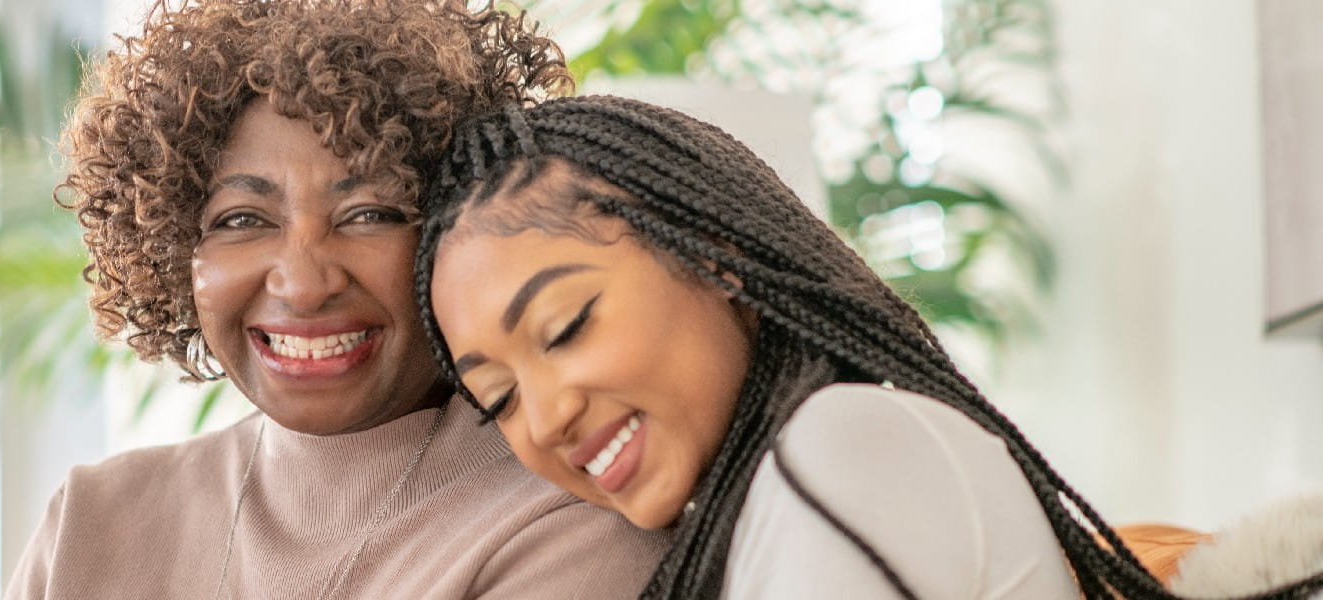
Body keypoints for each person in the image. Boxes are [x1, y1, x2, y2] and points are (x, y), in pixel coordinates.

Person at [413, 96, 1323, 598]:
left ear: (715, 254)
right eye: (498, 399)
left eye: (565, 329)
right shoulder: (770, 499)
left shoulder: (845, 451)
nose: (548, 415)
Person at [5, 2, 667, 598]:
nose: (303, 282)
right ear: (175, 248)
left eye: (370, 213)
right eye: (241, 219)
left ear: (456, 226)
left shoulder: (568, 522)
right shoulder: (89, 526)